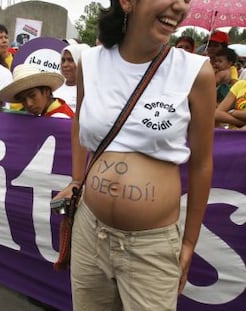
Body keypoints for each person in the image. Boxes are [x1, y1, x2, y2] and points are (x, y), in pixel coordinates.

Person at [53, 1, 215, 310]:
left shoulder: (196, 72)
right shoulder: (91, 62)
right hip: (89, 232)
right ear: (127, 2)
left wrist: (190, 242)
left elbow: (202, 163)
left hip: (152, 246)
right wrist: (76, 179)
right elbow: (79, 123)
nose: (180, 6)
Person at [0, 63, 74, 118]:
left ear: (47, 91)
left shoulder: (59, 118)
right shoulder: (51, 112)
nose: (29, 104)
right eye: (23, 99)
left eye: (32, 95)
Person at [53, 43, 90, 111]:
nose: (65, 65)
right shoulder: (54, 88)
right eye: (63, 60)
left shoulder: (90, 91)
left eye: (70, 60)